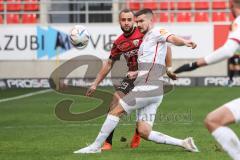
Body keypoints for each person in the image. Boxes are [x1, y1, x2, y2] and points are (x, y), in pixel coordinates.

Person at [74, 8, 198, 154]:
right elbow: (150, 62)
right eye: (136, 21)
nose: (137, 24)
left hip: (147, 86)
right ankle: (184, 143)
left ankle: (95, 147)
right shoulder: (144, 41)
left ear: (150, 21)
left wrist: (184, 41)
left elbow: (171, 38)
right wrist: (137, 72)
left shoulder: (157, 32)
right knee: (144, 131)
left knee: (115, 111)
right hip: (154, 89)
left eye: (140, 21)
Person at [205, 1, 240, 159]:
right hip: (234, 55)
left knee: (213, 120)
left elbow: (227, 50)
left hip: (233, 54)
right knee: (213, 119)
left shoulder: (237, 21)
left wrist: (196, 63)